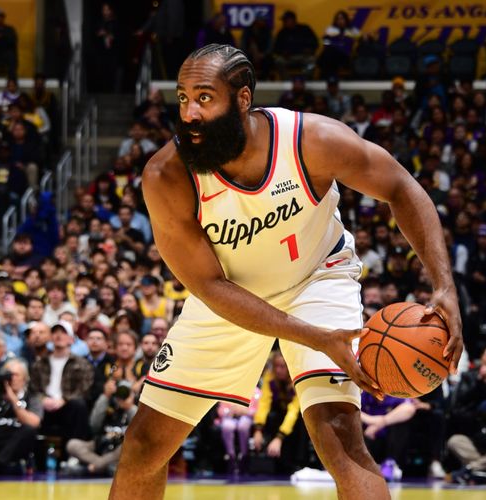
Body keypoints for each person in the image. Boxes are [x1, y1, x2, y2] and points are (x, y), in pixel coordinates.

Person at [109, 44, 462, 500]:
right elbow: (209, 286)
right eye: (183, 98)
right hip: (230, 296)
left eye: (204, 97)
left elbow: (401, 186)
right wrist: (314, 337)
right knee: (143, 446)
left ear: (242, 99)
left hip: (317, 277)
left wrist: (444, 286)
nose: (190, 113)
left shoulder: (311, 140)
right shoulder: (166, 175)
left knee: (340, 438)